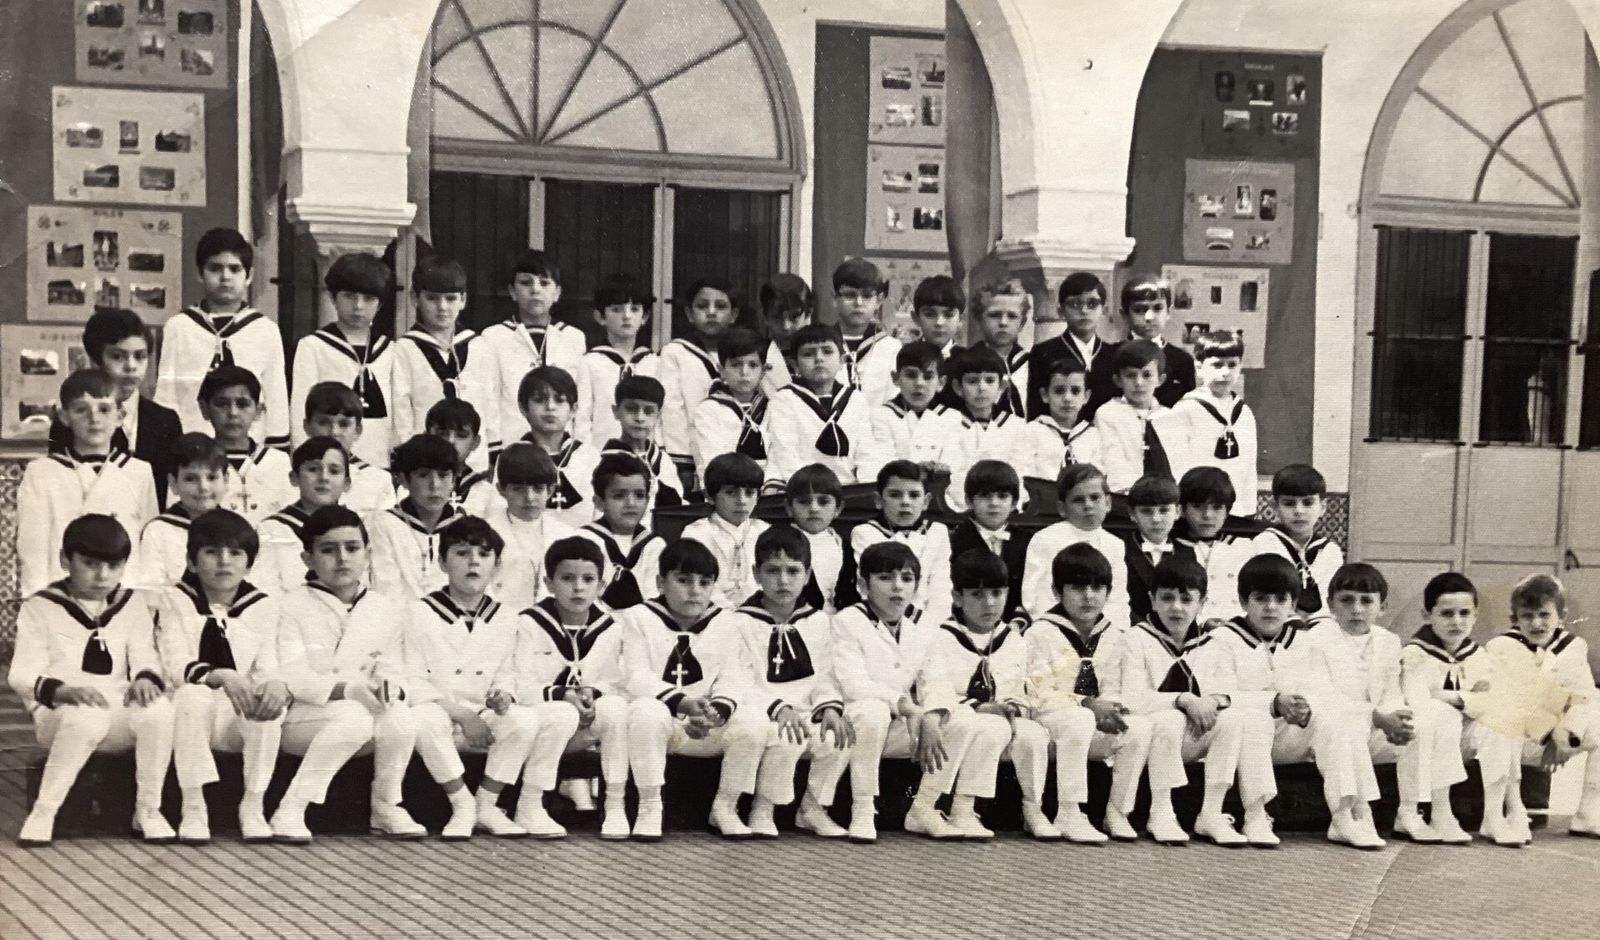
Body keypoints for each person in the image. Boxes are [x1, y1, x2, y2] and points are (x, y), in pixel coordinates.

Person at [403, 516, 576, 840]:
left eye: (483, 555)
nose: (473, 562)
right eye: (462, 553)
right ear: (442, 561)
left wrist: (502, 696)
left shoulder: (507, 616)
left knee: (525, 719)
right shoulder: (419, 611)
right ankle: (462, 804)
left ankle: (487, 803)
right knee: (421, 718)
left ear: (496, 566)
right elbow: (413, 679)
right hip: (442, 715)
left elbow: (508, 673)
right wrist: (462, 714)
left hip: (484, 718)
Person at [11, 514, 176, 846]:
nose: (103, 576)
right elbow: (22, 673)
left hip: (115, 706)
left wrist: (144, 678)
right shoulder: (40, 607)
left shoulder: (131, 604)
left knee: (159, 713)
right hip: (60, 714)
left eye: (114, 566)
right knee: (86, 717)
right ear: (65, 560)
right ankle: (44, 812)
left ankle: (148, 810)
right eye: (90, 564)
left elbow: (145, 653)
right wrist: (64, 691)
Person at [1205, 554, 1385, 849]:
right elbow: (1220, 696)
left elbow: (1321, 688)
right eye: (1261, 598)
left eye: (1280, 599)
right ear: (1242, 601)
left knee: (1339, 720)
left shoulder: (1303, 638)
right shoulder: (1224, 639)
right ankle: (1256, 814)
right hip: (1241, 737)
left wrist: (1305, 707)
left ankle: (1346, 815)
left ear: (1292, 604)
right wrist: (1274, 703)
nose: (1271, 607)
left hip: (1288, 735)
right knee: (1254, 719)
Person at [271, 506, 426, 843]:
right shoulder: (291, 604)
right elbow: (292, 673)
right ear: (307, 558)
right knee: (354, 718)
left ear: (368, 554)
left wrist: (391, 687)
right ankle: (292, 807)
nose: (342, 558)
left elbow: (395, 667)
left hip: (364, 711)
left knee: (400, 717)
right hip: (304, 716)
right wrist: (346, 690)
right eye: (328, 550)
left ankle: (385, 805)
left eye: (352, 548)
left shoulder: (384, 607)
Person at [1119, 556, 1278, 846]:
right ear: (1152, 600)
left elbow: (1224, 694)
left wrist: (1212, 702)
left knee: (1234, 719)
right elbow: (1131, 699)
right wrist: (1183, 699)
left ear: (1202, 602)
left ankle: (1212, 812)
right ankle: (1162, 811)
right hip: (1154, 736)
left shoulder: (1212, 643)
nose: (1177, 607)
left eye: (1186, 599)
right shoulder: (1135, 639)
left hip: (1195, 737)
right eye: (1167, 598)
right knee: (1169, 718)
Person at [617, 539, 768, 841]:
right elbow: (635, 676)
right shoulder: (638, 618)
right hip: (664, 721)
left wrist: (717, 711)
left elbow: (733, 677)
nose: (695, 590)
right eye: (683, 580)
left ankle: (726, 806)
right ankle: (649, 804)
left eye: (704, 582)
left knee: (754, 721)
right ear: (661, 582)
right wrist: (683, 703)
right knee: (646, 711)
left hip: (706, 723)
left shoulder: (726, 622)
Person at [155, 509, 286, 844]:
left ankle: (253, 805)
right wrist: (222, 675)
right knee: (191, 696)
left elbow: (268, 663)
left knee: (268, 708)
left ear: (249, 563)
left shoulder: (262, 605)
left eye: (235, 553)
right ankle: (194, 805)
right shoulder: (175, 599)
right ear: (193, 561)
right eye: (211, 552)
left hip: (235, 714)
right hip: (189, 716)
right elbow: (175, 663)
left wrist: (273, 684)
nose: (223, 562)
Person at [715, 526, 850, 838]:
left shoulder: (818, 623)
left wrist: (828, 708)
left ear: (807, 574)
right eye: (773, 571)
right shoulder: (739, 621)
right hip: (760, 711)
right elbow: (740, 679)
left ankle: (813, 807)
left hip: (804, 711)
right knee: (787, 733)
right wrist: (778, 708)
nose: (783, 580)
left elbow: (826, 675)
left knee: (841, 734)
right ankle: (761, 807)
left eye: (793, 571)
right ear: (756, 573)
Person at [915, 550, 1048, 840]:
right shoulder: (941, 636)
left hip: (1000, 715)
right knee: (988, 725)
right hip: (957, 714)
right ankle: (944, 805)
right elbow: (935, 686)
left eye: (996, 593)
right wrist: (980, 707)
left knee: (1035, 735)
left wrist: (1013, 706)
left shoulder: (1012, 639)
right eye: (977, 595)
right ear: (958, 597)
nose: (989, 603)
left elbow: (1020, 687)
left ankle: (1032, 808)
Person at [1027, 543, 1154, 843]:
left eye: (1098, 588)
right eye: (1077, 587)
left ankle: (1118, 811)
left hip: (1091, 722)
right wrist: (1087, 704)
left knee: (1139, 728)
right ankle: (1070, 810)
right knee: (1079, 719)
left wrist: (1110, 708)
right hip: (1049, 723)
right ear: (1057, 592)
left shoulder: (1113, 635)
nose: (1088, 596)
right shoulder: (1039, 632)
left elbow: (1113, 685)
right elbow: (1038, 692)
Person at [515, 536, 632, 839]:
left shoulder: (610, 627)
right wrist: (564, 696)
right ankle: (530, 805)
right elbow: (521, 685)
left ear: (601, 585)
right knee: (561, 714)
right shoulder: (529, 623)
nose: (578, 588)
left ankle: (615, 804)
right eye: (567, 578)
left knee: (616, 708)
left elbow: (615, 682)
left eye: (588, 579)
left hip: (583, 727)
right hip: (540, 726)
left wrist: (592, 696)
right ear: (549, 583)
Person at [1398, 572, 1517, 846]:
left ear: (1475, 615)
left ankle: (1493, 816)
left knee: (1499, 723)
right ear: (1428, 615)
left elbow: (1494, 699)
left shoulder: (1477, 654)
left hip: (1460, 738)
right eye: (1447, 613)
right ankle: (1441, 811)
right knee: (1442, 715)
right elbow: (1418, 701)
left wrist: (1451, 697)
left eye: (1465, 613)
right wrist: (1466, 699)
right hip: (1421, 739)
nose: (1457, 621)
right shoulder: (1416, 652)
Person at [19, 370, 160, 595]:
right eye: (81, 410)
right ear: (64, 417)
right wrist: (38, 603)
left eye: (104, 409)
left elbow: (148, 547)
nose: (94, 419)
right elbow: (32, 550)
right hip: (63, 596)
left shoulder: (139, 472)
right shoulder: (42, 472)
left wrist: (142, 605)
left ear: (120, 416)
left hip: (122, 596)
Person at [828, 542, 932, 842]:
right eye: (885, 578)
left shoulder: (921, 626)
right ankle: (862, 809)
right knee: (872, 713)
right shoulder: (848, 620)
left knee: (954, 719)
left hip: (900, 721)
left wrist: (931, 714)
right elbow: (853, 683)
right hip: (854, 717)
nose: (897, 587)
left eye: (907, 578)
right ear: (863, 584)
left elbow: (934, 678)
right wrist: (903, 703)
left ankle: (929, 808)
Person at [1486, 574, 1600, 841]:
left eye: (1544, 614)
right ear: (1514, 618)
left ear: (1562, 615)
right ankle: (1514, 811)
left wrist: (1567, 732)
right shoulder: (1502, 647)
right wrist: (1551, 733)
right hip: (1516, 741)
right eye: (1527, 616)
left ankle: (1589, 814)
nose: (1536, 623)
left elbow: (1587, 696)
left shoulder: (1573, 647)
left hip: (1557, 740)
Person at [1319, 564, 1428, 841]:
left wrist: (1395, 720)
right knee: (1348, 727)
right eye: (1346, 600)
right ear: (1330, 603)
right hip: (1330, 733)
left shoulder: (1388, 641)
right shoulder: (1316, 638)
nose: (1357, 609)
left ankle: (1409, 811)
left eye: (1366, 601)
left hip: (1374, 728)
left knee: (1419, 728)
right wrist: (1377, 717)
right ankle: (1353, 813)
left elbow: (1391, 691)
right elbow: (1325, 698)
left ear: (1382, 606)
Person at [155, 227, 290, 449]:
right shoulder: (179, 326)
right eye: (215, 268)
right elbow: (167, 394)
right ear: (200, 273)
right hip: (192, 446)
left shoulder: (265, 330)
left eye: (235, 269)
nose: (225, 277)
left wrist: (276, 453)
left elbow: (276, 397)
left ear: (250, 276)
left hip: (249, 448)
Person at [47, 307, 183, 504]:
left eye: (140, 356)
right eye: (118, 356)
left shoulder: (165, 420)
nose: (131, 366)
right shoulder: (72, 420)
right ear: (95, 361)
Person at [462, 249, 586, 459]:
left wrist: (579, 451)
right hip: (512, 446)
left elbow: (579, 401)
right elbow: (489, 399)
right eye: (526, 283)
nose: (535, 290)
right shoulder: (494, 337)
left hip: (561, 449)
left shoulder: (573, 337)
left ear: (557, 293)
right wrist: (493, 450)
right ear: (512, 291)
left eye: (544, 283)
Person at [290, 251, 395, 468]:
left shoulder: (391, 350)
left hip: (379, 459)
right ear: (332, 297)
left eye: (368, 299)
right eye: (349, 296)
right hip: (327, 462)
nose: (358, 306)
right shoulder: (314, 346)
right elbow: (300, 409)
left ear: (380, 304)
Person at [391, 256, 483, 469]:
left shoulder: (479, 346)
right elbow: (401, 410)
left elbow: (488, 406)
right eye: (432, 298)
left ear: (463, 300)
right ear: (415, 298)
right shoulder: (406, 348)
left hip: (473, 461)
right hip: (424, 459)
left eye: (451, 299)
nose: (442, 307)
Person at [1158, 329, 1258, 511]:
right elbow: (1178, 469)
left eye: (1232, 364)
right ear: (1199, 367)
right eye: (1217, 365)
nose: (1226, 372)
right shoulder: (1185, 410)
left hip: (1238, 510)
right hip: (1200, 508)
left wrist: (1249, 509)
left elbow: (1250, 468)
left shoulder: (1245, 413)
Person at [763, 323, 874, 487]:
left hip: (848, 487)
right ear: (795, 365)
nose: (819, 359)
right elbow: (786, 453)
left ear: (842, 361)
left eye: (827, 352)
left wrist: (867, 485)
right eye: (808, 354)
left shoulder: (856, 399)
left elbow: (866, 452)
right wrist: (808, 487)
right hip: (801, 487)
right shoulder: (783, 399)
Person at [1022, 464, 1128, 626]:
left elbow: (1117, 599)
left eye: (1095, 498)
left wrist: (1104, 633)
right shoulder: (1045, 540)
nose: (1088, 505)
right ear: (1062, 508)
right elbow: (1037, 597)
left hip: (1102, 633)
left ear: (1108, 503)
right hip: (1056, 629)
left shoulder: (1115, 545)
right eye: (1078, 500)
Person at [851, 461, 952, 626]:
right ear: (878, 500)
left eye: (914, 495)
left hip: (931, 623)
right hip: (882, 621)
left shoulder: (937, 532)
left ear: (926, 501)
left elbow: (941, 589)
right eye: (895, 495)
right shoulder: (865, 532)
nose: (905, 502)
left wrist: (933, 627)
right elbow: (873, 591)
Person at [661, 276, 739, 486]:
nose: (711, 312)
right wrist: (683, 462)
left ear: (734, 315)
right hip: (690, 458)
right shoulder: (676, 352)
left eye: (721, 306)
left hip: (734, 454)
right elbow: (672, 411)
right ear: (689, 314)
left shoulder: (742, 357)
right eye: (702, 306)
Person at [930, 345, 1027, 512]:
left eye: (989, 380)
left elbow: (1021, 474)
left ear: (1002, 387)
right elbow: (952, 475)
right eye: (973, 381)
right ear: (958, 387)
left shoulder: (1016, 426)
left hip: (1005, 511)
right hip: (960, 510)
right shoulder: (947, 423)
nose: (982, 388)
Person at [481, 442, 576, 613]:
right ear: (501, 490)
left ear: (551, 490)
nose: (529, 498)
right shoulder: (485, 533)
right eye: (518, 489)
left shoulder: (565, 535)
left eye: (538, 489)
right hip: (498, 622)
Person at [252, 437, 351, 596]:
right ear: (294, 478)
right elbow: (266, 590)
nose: (324, 478)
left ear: (347, 483)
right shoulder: (272, 529)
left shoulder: (357, 528)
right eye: (313, 469)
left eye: (334, 471)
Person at [199, 365, 295, 526]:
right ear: (205, 409)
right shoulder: (197, 462)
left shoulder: (279, 462)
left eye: (242, 404)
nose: (233, 413)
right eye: (222, 404)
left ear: (258, 411)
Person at [370, 434, 462, 600]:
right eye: (423, 475)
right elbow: (386, 590)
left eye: (443, 475)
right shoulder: (385, 524)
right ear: (404, 479)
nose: (434, 485)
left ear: (454, 480)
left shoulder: (464, 525)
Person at [1086, 275, 1194, 418]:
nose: (1149, 317)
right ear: (1124, 314)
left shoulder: (1182, 361)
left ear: (1168, 312)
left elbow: (1188, 414)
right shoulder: (1104, 357)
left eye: (1157, 308)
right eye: (1139, 310)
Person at [133, 432, 227, 590]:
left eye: (211, 477)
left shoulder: (235, 526)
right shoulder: (158, 531)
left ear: (226, 480)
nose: (203, 487)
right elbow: (151, 590)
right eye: (191, 479)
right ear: (174, 483)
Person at [1251, 464, 1344, 619]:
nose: (1299, 511)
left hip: (1320, 627)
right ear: (1275, 507)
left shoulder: (1330, 552)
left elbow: (1331, 601)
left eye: (1308, 503)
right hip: (1274, 623)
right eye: (1289, 503)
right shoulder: (1263, 544)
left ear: (1322, 507)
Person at [574, 273, 658, 445]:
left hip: (645, 457)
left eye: (634, 309)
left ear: (645, 317)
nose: (626, 316)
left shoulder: (654, 362)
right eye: (616, 309)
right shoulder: (590, 363)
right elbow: (582, 419)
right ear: (600, 317)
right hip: (602, 456)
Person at [576, 452, 664, 611]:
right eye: (619, 496)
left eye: (639, 495)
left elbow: (655, 597)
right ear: (599, 502)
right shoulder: (584, 541)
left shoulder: (654, 545)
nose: (631, 503)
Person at [517, 365, 599, 529]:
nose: (550, 407)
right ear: (523, 408)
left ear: (573, 410)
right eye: (540, 400)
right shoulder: (513, 456)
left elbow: (600, 512)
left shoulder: (589, 456)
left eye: (559, 400)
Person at [681, 453, 769, 606]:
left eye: (749, 493)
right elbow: (699, 585)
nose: (741, 501)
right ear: (709, 496)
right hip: (713, 614)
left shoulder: (764, 531)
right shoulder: (697, 533)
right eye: (731, 492)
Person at [948, 459, 1030, 620]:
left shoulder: (1027, 542)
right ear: (969, 501)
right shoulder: (953, 542)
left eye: (1002, 496)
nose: (994, 503)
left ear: (1014, 503)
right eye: (985, 496)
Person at [301, 381, 398, 515]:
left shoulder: (377, 480)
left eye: (343, 424)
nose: (334, 432)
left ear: (357, 430)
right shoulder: (292, 476)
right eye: (323, 423)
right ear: (307, 426)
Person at [857, 340, 947, 482]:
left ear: (941, 383)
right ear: (895, 378)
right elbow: (879, 465)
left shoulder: (950, 418)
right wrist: (918, 471)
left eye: (928, 377)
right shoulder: (882, 416)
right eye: (911, 375)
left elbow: (954, 467)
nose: (919, 383)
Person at [1094, 339, 1174, 497]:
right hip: (1126, 495)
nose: (1138, 382)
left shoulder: (1169, 416)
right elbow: (1112, 461)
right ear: (1118, 380)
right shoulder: (1109, 414)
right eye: (1131, 375)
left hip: (1167, 497)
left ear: (1160, 379)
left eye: (1147, 375)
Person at [1027, 272, 1113, 418]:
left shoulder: (1113, 354)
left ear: (1103, 310)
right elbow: (1036, 407)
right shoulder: (1044, 352)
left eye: (1092, 304)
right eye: (1075, 304)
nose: (1084, 310)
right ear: (1061, 311)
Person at [1173, 466, 1251, 627]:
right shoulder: (1173, 548)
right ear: (1182, 509)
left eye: (1216, 508)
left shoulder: (1244, 548)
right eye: (1197, 506)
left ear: (1227, 511)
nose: (1207, 515)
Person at [692, 328, 770, 485]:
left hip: (770, 491)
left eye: (753, 365)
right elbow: (713, 461)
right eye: (735, 365)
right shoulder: (709, 410)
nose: (744, 372)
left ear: (763, 371)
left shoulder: (773, 408)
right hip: (727, 489)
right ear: (721, 370)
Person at [598, 375, 683, 517]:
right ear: (616, 411)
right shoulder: (604, 462)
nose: (640, 418)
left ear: (659, 415)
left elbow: (676, 507)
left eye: (648, 411)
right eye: (631, 409)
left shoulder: (663, 461)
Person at [1019, 356, 1101, 485]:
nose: (1067, 398)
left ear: (1086, 396)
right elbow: (1023, 473)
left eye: (1075, 391)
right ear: (1045, 395)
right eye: (1059, 391)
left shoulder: (1093, 435)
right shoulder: (1032, 431)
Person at [1123, 475, 1191, 625]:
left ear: (1178, 512)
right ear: (1132, 514)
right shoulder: (1122, 549)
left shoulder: (1188, 552)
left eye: (1164, 510)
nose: (1156, 519)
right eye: (1146, 511)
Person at [787, 463, 854, 613]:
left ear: (838, 508)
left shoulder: (844, 545)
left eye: (823, 502)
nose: (814, 508)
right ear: (789, 508)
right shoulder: (782, 543)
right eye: (804, 501)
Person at [831, 258, 898, 405]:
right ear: (835, 298)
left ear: (879, 301)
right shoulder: (824, 345)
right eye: (849, 295)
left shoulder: (892, 348)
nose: (858, 303)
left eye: (867, 296)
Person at [966, 274, 1031, 417]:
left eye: (1012, 316)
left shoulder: (1033, 364)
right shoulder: (965, 362)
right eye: (994, 315)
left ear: (1023, 322)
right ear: (978, 320)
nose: (1003, 323)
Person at [426, 398, 493, 513]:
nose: (451, 441)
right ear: (426, 437)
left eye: (461, 435)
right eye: (442, 434)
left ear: (475, 443)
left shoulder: (485, 491)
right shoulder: (412, 487)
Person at [758, 273, 813, 394]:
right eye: (777, 318)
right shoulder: (756, 357)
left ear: (808, 314)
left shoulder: (823, 353)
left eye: (794, 317)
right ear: (765, 317)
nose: (786, 326)